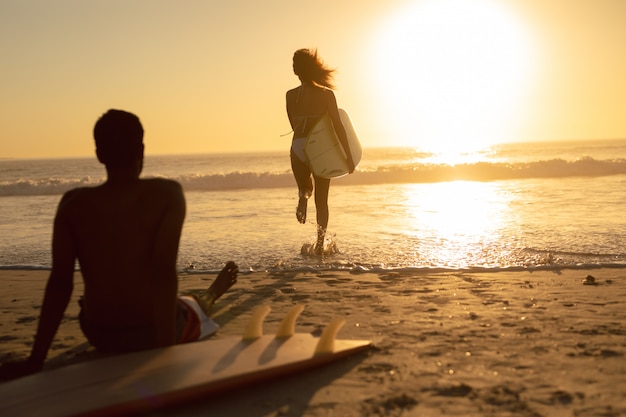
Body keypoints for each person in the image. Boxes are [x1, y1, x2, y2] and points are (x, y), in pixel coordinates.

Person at [0, 109, 238, 380]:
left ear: (99, 153)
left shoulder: (72, 204)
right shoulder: (167, 195)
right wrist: (165, 357)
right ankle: (211, 294)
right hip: (151, 332)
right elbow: (163, 274)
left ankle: (197, 299)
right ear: (142, 150)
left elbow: (60, 282)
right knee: (191, 305)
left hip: (99, 331)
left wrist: (36, 359)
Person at [286, 49, 355, 253]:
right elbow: (337, 126)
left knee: (306, 188)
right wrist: (348, 157)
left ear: (296, 71)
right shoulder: (326, 94)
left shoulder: (290, 96)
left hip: (298, 147)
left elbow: (293, 125)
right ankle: (319, 244)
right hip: (320, 149)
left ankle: (302, 197)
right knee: (322, 201)